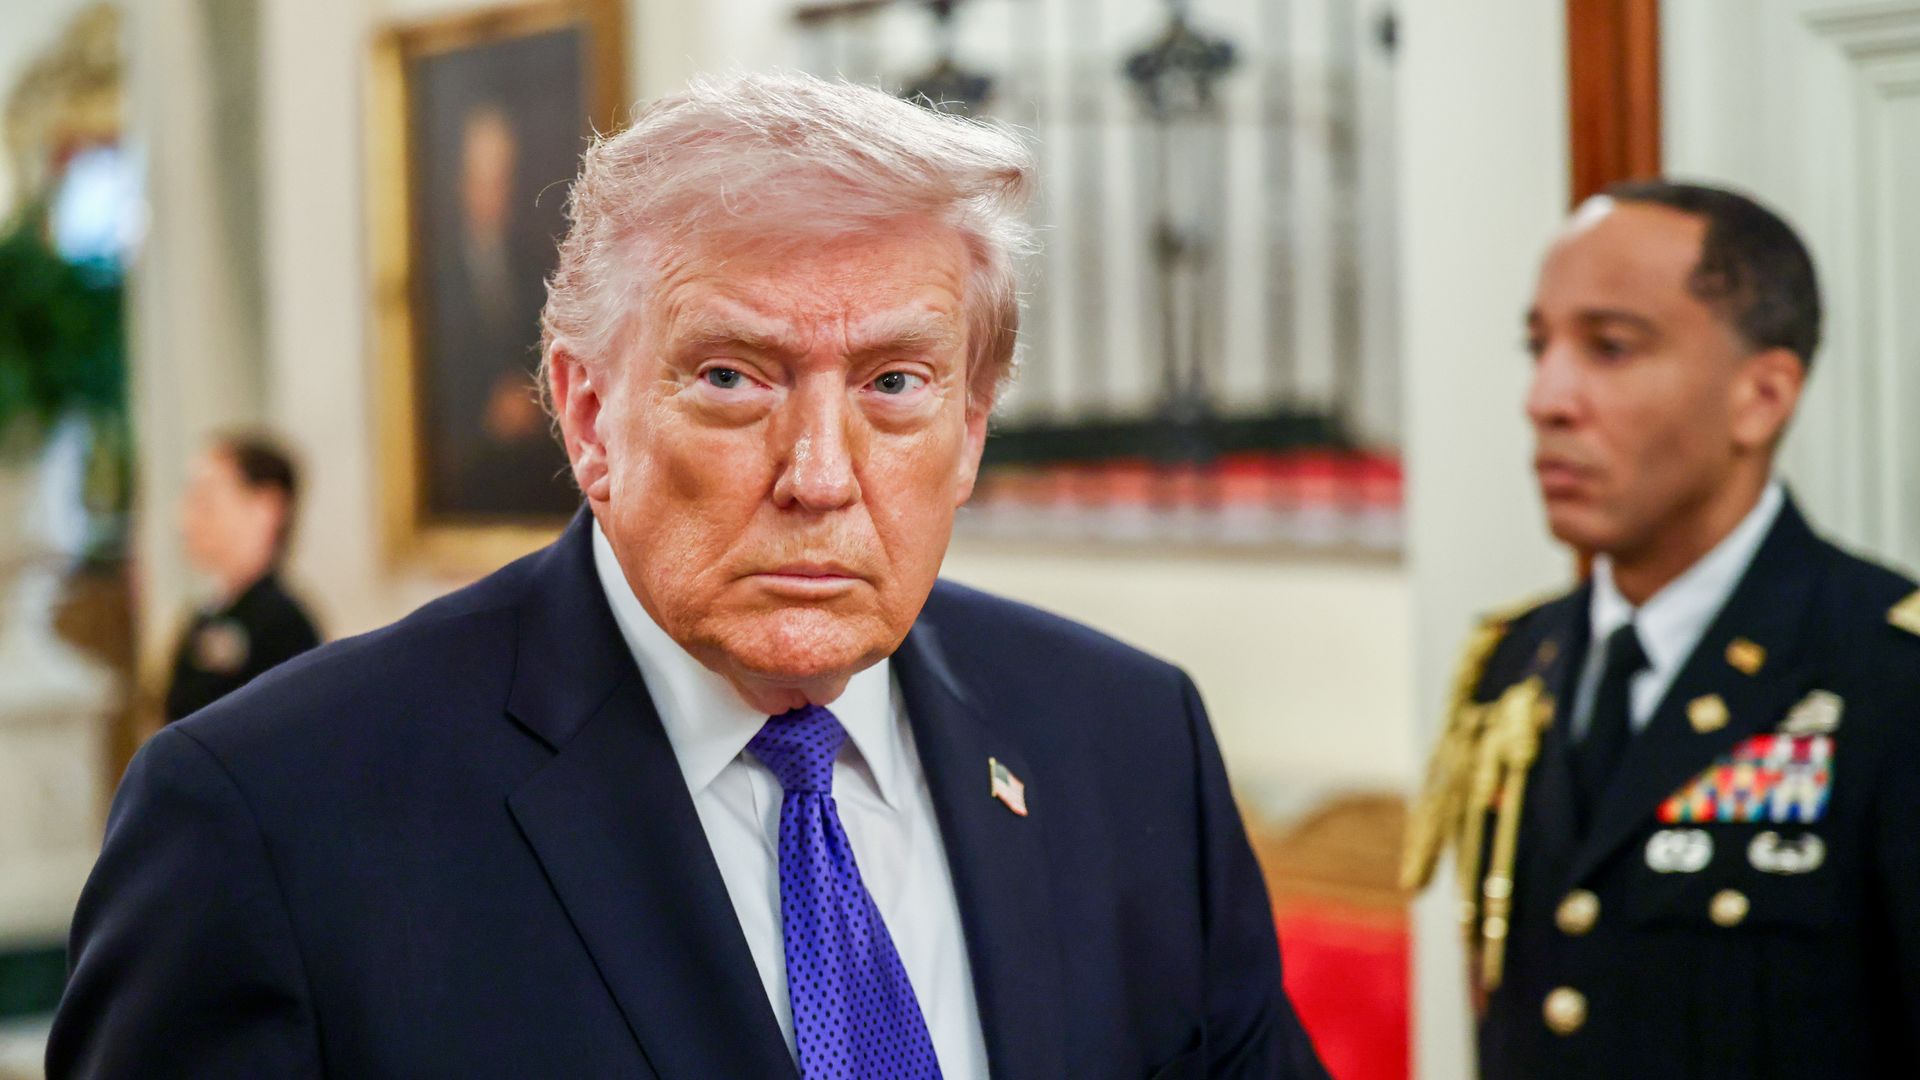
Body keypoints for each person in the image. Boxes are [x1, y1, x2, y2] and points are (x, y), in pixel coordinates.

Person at [50, 73, 1328, 1079]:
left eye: (895, 384)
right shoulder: (274, 823)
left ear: (973, 428)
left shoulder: (1127, 742)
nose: (819, 472)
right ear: (589, 414)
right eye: (732, 378)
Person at [1403, 180, 1920, 1079]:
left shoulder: (1886, 673)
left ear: (1761, 396)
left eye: (1610, 348)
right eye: (1539, 347)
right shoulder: (1518, 665)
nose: (1547, 397)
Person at [162, 432, 320, 723]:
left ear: (266, 509)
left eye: (205, 500)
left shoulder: (284, 625)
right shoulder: (206, 614)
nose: (184, 518)